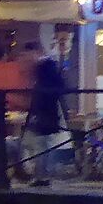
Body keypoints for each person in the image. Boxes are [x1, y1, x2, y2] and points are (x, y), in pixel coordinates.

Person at [22, 48, 67, 188]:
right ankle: (42, 174)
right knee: (42, 145)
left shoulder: (43, 72)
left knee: (37, 144)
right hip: (48, 115)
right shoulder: (50, 70)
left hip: (43, 115)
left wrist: (34, 114)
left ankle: (40, 175)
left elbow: (40, 97)